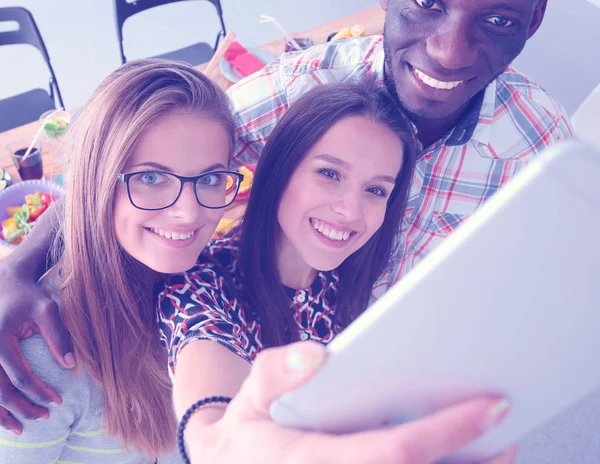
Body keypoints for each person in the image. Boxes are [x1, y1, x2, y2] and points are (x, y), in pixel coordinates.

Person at [0, 0, 571, 444]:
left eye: (497, 19)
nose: (449, 52)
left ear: (534, 21)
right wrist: (19, 263)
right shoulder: (300, 89)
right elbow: (139, 153)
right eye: (428, 1)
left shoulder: (539, 139)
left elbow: (545, 272)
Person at [0, 58, 240, 462]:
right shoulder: (39, 355)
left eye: (210, 178)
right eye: (150, 177)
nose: (188, 213)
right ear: (96, 181)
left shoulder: (212, 282)